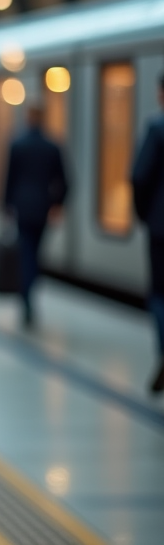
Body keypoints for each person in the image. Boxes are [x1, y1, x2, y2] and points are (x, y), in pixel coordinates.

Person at [3, 105, 68, 329]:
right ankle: (31, 289)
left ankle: (26, 297)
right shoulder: (52, 146)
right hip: (42, 208)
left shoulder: (17, 144)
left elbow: (9, 178)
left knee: (26, 251)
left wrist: (7, 207)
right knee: (35, 252)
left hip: (22, 207)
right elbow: (65, 181)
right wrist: (57, 204)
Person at [130, 72, 164, 395]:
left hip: (160, 227)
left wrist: (144, 214)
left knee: (159, 293)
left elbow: (139, 177)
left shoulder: (156, 128)